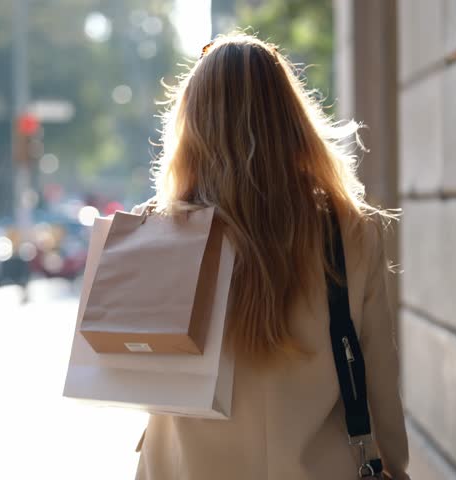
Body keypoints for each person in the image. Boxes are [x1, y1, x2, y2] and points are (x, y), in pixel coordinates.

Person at [135, 33, 410, 480]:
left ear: (191, 128)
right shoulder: (348, 232)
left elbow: (131, 367)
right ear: (291, 119)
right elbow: (377, 372)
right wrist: (394, 465)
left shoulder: (163, 236)